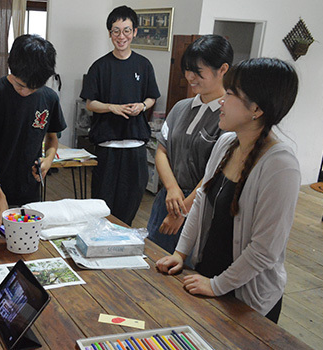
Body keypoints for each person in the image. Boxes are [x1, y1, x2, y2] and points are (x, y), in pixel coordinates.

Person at [156, 58, 300, 323]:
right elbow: (200, 202)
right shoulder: (226, 143)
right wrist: (180, 253)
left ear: (256, 109)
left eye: (231, 94)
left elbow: (264, 250)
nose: (222, 100)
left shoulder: (280, 166)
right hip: (207, 275)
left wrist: (217, 286)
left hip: (246, 297)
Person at [0, 34, 67, 226]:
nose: (25, 91)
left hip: (28, 192)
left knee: (26, 246)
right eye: (20, 85)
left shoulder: (49, 98)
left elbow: (52, 138)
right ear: (11, 67)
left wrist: (48, 160)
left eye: (33, 88)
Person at [147, 35, 234, 254]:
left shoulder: (229, 116)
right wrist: (172, 189)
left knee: (184, 273)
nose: (189, 77)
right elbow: (162, 150)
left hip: (199, 207)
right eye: (187, 70)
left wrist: (183, 210)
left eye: (198, 72)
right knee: (153, 258)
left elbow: (217, 171)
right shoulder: (180, 107)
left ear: (223, 69)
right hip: (168, 198)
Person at [80, 5, 161, 226]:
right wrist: (112, 107)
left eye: (126, 30)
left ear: (135, 32)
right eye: (116, 31)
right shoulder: (100, 66)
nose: (121, 36)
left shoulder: (143, 65)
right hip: (108, 147)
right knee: (102, 204)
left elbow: (152, 97)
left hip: (135, 147)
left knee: (130, 202)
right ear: (109, 33)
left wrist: (142, 106)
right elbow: (90, 103)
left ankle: (122, 241)